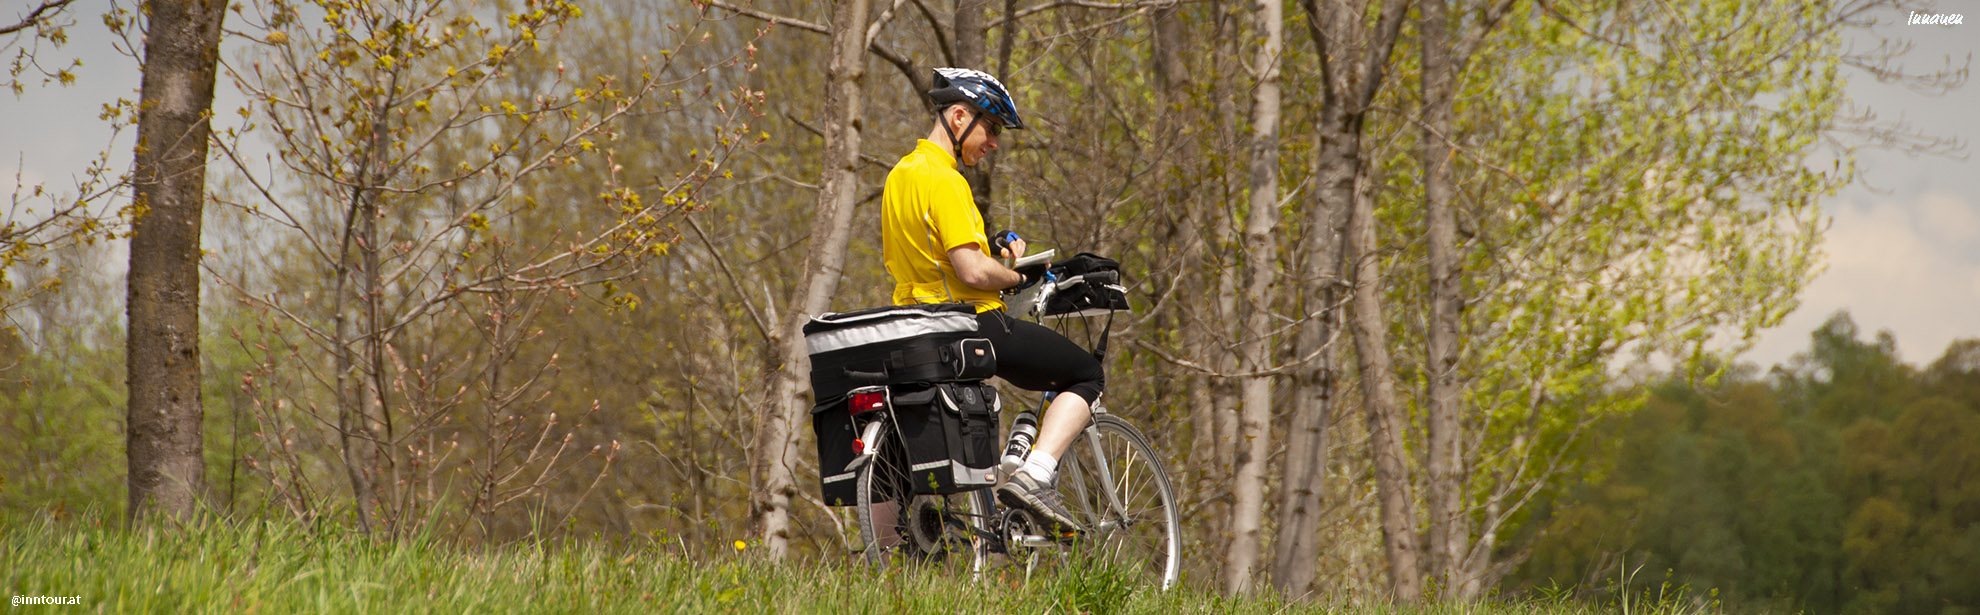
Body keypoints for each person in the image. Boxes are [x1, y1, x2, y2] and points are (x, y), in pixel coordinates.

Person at [880, 67, 1100, 533]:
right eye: (992, 127)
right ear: (958, 116)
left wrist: (995, 254)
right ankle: (1036, 477)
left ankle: (879, 559)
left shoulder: (901, 175)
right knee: (1086, 372)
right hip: (968, 325)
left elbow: (934, 256)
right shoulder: (945, 179)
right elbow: (972, 272)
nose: (995, 141)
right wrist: (1016, 275)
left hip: (913, 328)